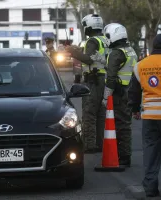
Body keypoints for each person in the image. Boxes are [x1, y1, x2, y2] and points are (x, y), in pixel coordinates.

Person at [66, 14, 109, 153]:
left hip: (93, 80)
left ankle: (90, 145)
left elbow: (89, 59)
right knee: (100, 113)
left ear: (89, 26)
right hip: (103, 79)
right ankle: (100, 143)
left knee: (89, 114)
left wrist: (73, 53)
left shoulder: (92, 41)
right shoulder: (104, 39)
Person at [128, 34, 161, 198]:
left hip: (150, 116)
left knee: (150, 151)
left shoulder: (140, 65)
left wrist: (134, 109)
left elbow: (133, 91)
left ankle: (150, 187)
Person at [102, 23, 138, 167]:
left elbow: (110, 78)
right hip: (129, 92)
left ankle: (122, 157)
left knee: (120, 125)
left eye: (108, 36)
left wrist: (106, 97)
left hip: (118, 94)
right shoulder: (130, 50)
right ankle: (124, 155)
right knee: (126, 125)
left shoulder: (116, 53)